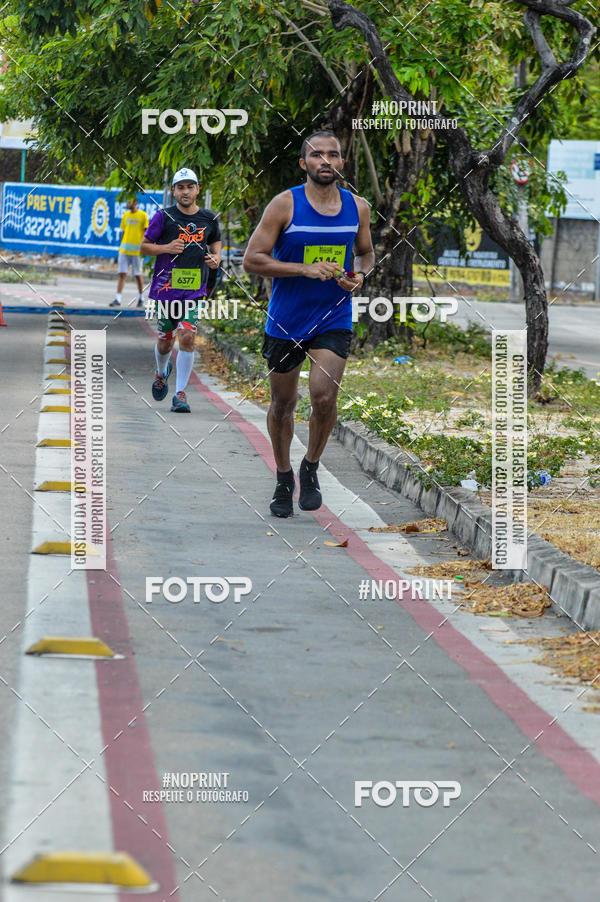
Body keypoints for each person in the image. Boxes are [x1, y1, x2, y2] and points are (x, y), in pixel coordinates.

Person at [243, 130, 374, 517]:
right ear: (304, 163)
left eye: (333, 155)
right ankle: (284, 476)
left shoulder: (358, 207)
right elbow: (252, 259)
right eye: (317, 155)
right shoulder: (285, 204)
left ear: (342, 163)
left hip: (333, 316)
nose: (326, 161)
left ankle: (311, 466)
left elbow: (366, 253)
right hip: (286, 319)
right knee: (283, 403)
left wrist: (361, 275)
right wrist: (304, 268)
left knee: (324, 397)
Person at [140, 168, 222, 413]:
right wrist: (166, 248)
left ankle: (180, 394)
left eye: (190, 187)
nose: (185, 192)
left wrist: (216, 257)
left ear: (198, 190)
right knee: (165, 342)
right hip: (167, 288)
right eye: (180, 187)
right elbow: (144, 247)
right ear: (174, 191)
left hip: (195, 289)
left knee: (187, 336)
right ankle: (161, 372)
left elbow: (216, 243)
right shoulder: (163, 217)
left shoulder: (209, 218)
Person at [110, 197, 149, 307]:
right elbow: (123, 231)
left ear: (136, 202)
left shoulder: (142, 215)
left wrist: (144, 248)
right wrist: (120, 246)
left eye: (130, 201)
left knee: (137, 275)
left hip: (137, 252)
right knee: (122, 274)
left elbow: (146, 233)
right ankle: (118, 299)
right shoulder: (126, 214)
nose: (127, 203)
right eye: (127, 201)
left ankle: (141, 298)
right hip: (124, 250)